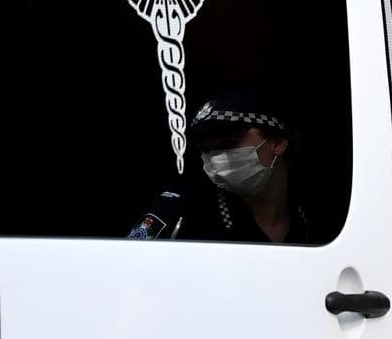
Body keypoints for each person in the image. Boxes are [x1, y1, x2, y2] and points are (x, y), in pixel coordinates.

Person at [128, 89, 318, 244]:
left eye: (228, 143)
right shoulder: (178, 214)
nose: (215, 157)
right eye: (206, 149)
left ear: (277, 143)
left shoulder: (317, 219)